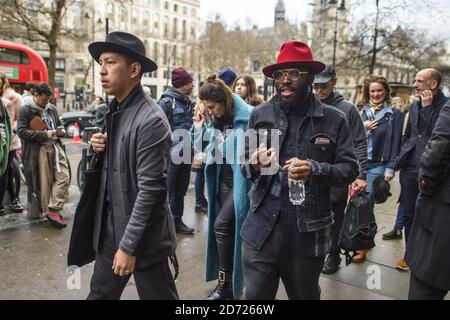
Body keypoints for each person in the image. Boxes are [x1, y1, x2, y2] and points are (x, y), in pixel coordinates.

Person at [240, 41, 358, 300]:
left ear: (310, 76)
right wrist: (254, 164)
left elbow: (350, 169)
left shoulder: (334, 118)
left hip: (307, 232)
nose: (285, 80)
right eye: (279, 74)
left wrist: (315, 169)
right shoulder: (260, 114)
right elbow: (244, 166)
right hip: (261, 230)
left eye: (293, 73)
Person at [87, 31, 178, 300]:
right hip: (110, 229)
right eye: (100, 63)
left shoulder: (150, 119)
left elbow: (150, 191)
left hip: (143, 239)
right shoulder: (115, 109)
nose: (102, 71)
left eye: (111, 62)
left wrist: (128, 247)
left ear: (134, 69)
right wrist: (96, 149)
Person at [192, 74, 252, 300]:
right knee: (228, 233)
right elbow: (199, 149)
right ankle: (227, 283)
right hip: (221, 182)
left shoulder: (248, 116)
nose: (210, 110)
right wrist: (201, 126)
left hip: (242, 184)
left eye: (212, 106)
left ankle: (226, 285)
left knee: (222, 226)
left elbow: (233, 151)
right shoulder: (214, 118)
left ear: (224, 101)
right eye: (206, 106)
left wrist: (214, 131)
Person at [313, 64, 368, 274]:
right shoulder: (311, 105)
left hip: (337, 173)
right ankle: (316, 251)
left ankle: (333, 255)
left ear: (334, 82)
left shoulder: (348, 109)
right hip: (313, 172)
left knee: (335, 218)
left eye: (323, 86)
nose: (318, 90)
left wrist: (361, 174)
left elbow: (359, 143)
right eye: (315, 86)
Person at [391, 68, 448, 271]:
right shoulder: (414, 106)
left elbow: (435, 135)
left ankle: (424, 257)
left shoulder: (444, 107)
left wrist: (429, 107)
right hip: (409, 169)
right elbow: (410, 135)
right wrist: (403, 156)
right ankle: (409, 255)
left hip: (431, 172)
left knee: (424, 214)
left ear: (433, 84)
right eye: (415, 80)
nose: (415, 84)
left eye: (420, 81)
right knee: (408, 214)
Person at [406, 100, 450, 300]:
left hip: (442, 215)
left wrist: (425, 187)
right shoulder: (417, 106)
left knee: (426, 287)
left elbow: (438, 148)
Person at [356, 75, 403, 262]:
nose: (375, 94)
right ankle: (368, 236)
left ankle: (363, 245)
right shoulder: (360, 112)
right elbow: (350, 136)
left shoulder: (394, 115)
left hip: (378, 166)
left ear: (386, 92)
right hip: (359, 164)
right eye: (372, 91)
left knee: (365, 205)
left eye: (379, 90)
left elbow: (396, 143)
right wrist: (363, 127)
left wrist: (390, 168)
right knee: (363, 205)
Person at [17, 83, 70, 228]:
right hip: (39, 150)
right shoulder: (26, 110)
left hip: (55, 147)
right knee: (45, 183)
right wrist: (44, 134)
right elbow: (21, 131)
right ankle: (51, 211)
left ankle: (53, 209)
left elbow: (59, 124)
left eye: (48, 100)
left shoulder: (52, 108)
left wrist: (61, 130)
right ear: (36, 95)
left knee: (64, 177)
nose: (46, 103)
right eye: (44, 100)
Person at [157, 67, 195, 235]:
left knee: (180, 190)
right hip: (171, 156)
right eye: (190, 82)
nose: (193, 85)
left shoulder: (187, 102)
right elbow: (156, 131)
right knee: (166, 191)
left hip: (185, 154)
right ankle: (161, 226)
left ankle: (176, 222)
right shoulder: (166, 103)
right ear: (183, 85)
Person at [0, 73, 24, 214]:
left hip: (8, 141)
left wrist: (11, 134)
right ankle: (13, 199)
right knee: (7, 172)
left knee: (5, 172)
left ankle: (5, 203)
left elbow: (15, 120)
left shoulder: (11, 99)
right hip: (7, 140)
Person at [191, 101, 207, 214]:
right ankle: (199, 202)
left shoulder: (200, 103)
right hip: (202, 144)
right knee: (200, 173)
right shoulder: (202, 104)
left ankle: (200, 201)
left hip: (201, 143)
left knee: (200, 174)